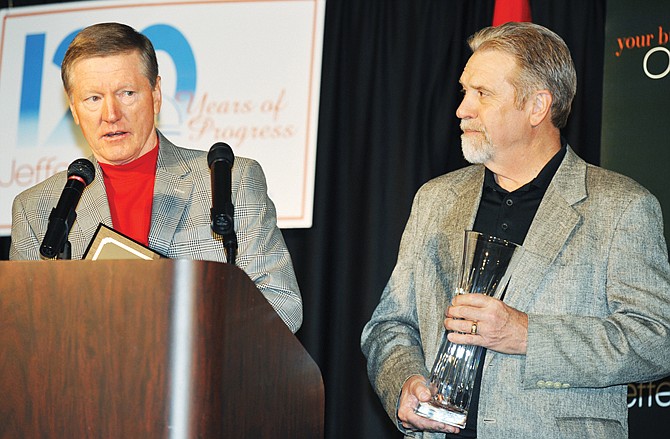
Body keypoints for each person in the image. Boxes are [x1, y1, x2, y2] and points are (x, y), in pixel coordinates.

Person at [361, 21, 670, 438]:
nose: (462, 109)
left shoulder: (621, 207)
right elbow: (390, 326)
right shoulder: (435, 200)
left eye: (482, 94)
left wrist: (528, 334)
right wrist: (405, 383)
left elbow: (656, 338)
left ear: (537, 107)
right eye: (464, 91)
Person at [9, 22, 302, 334]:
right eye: (93, 98)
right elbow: (21, 331)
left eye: (127, 93)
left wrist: (181, 339)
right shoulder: (36, 209)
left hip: (199, 377)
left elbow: (281, 305)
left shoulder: (229, 181)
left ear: (156, 94)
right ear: (74, 108)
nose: (110, 114)